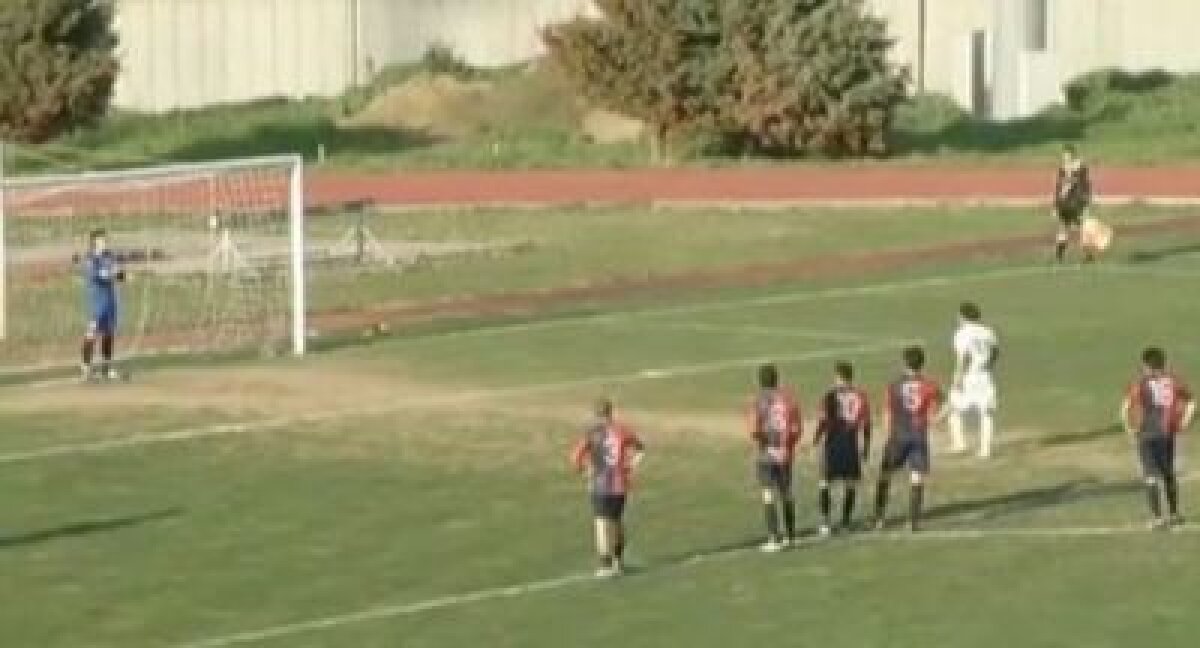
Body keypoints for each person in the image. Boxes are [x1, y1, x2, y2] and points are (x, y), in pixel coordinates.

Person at [1121, 347, 1195, 530]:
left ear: (1146, 365)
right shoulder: (1174, 381)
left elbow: (1125, 408)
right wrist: (1185, 421)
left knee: (1150, 476)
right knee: (1168, 473)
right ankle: (1174, 514)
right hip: (1167, 434)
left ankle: (1157, 518)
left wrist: (1129, 428)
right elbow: (1191, 402)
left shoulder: (1140, 384)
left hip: (1146, 435)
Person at [873, 346, 945, 532]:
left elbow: (887, 413)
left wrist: (888, 434)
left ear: (905, 363)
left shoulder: (894, 385)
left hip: (898, 435)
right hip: (918, 436)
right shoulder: (930, 385)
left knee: (885, 475)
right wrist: (939, 415)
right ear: (923, 363)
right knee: (917, 477)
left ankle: (879, 518)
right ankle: (913, 522)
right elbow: (939, 407)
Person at [571, 398, 645, 578]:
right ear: (610, 412)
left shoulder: (591, 433)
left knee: (601, 522)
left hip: (599, 484)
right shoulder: (622, 430)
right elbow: (640, 449)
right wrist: (631, 465)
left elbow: (575, 457)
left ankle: (605, 564)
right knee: (616, 521)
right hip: (620, 485)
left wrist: (584, 471)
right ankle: (618, 561)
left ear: (595, 415)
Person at [747, 363, 802, 552]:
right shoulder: (789, 400)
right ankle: (791, 536)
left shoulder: (758, 401)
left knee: (768, 494)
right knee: (786, 493)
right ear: (777, 380)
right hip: (785, 454)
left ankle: (774, 538)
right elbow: (797, 429)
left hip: (767, 455)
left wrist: (765, 442)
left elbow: (754, 430)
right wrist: (787, 447)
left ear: (759, 381)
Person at [814, 361, 871, 536]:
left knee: (824, 483)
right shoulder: (860, 395)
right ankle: (846, 522)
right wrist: (866, 447)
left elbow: (823, 421)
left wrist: (816, 439)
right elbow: (866, 424)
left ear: (838, 377)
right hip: (850, 443)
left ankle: (825, 523)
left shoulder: (830, 395)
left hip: (833, 443)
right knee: (850, 484)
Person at [949, 301, 1000, 458]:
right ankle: (985, 450)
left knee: (954, 409)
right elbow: (995, 352)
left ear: (963, 316)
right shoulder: (988, 331)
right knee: (987, 412)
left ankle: (959, 444)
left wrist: (958, 377)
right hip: (985, 375)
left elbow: (963, 357)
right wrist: (989, 366)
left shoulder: (961, 333)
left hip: (968, 376)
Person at [80, 229, 126, 381]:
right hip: (96, 302)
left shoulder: (109, 256)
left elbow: (117, 272)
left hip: (110, 301)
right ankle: (86, 367)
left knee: (108, 334)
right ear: (94, 243)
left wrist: (122, 275)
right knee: (91, 333)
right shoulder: (90, 260)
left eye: (105, 240)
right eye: (100, 241)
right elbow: (100, 275)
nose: (104, 243)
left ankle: (107, 368)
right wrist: (115, 274)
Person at [1053, 145, 1094, 264]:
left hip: (1073, 203)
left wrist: (1056, 204)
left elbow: (1083, 184)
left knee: (1072, 228)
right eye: (1064, 156)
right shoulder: (1076, 167)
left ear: (1071, 155)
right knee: (1070, 228)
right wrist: (1056, 205)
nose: (1065, 158)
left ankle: (1060, 256)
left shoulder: (1073, 168)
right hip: (1069, 203)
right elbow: (1060, 187)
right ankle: (1085, 256)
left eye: (1066, 155)